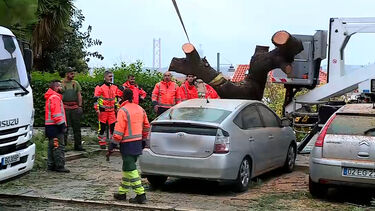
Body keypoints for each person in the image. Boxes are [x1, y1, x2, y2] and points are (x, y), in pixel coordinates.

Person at [113, 89, 150, 204]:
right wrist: (143, 139)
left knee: (130, 168)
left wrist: (114, 142)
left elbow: (119, 129)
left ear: (123, 98)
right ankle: (122, 192)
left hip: (127, 143)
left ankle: (140, 194)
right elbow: (146, 126)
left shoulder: (123, 110)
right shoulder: (140, 109)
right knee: (127, 167)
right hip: (137, 142)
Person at [94, 71, 121, 158]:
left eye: (112, 76)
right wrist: (97, 109)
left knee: (113, 128)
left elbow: (116, 99)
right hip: (103, 111)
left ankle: (113, 143)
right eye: (109, 76)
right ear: (105, 77)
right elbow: (95, 100)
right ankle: (102, 143)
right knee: (102, 128)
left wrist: (117, 108)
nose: (111, 78)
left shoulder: (114, 87)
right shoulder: (99, 87)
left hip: (112, 111)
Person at [44, 80, 70, 173]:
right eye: (60, 86)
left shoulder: (51, 97)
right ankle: (59, 165)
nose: (62, 88)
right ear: (56, 87)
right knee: (58, 146)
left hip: (50, 126)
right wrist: (62, 125)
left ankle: (51, 165)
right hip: (56, 126)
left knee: (52, 146)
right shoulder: (55, 97)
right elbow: (57, 114)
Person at [61, 67, 84, 151]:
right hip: (65, 107)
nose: (73, 75)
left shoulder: (75, 83)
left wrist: (80, 106)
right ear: (67, 74)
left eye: (73, 73)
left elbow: (79, 95)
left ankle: (78, 146)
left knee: (77, 128)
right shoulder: (61, 83)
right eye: (71, 74)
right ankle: (63, 146)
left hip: (74, 107)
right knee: (65, 128)